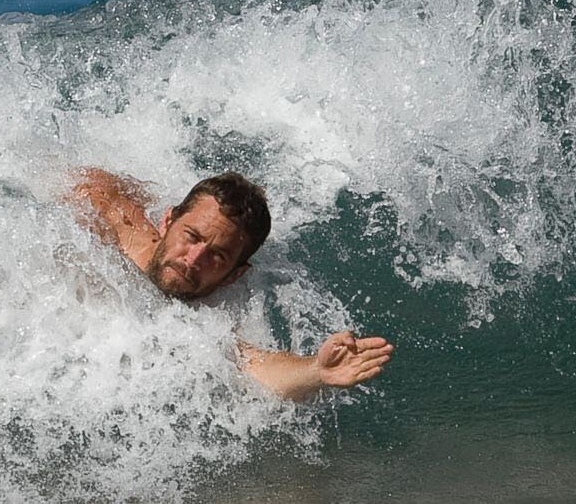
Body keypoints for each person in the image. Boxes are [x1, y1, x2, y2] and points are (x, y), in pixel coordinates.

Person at [72, 168, 393, 401]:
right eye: (192, 236)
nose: (194, 259)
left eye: (218, 256)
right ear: (167, 220)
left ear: (234, 274)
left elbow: (256, 367)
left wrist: (317, 372)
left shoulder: (210, 318)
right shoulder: (112, 224)